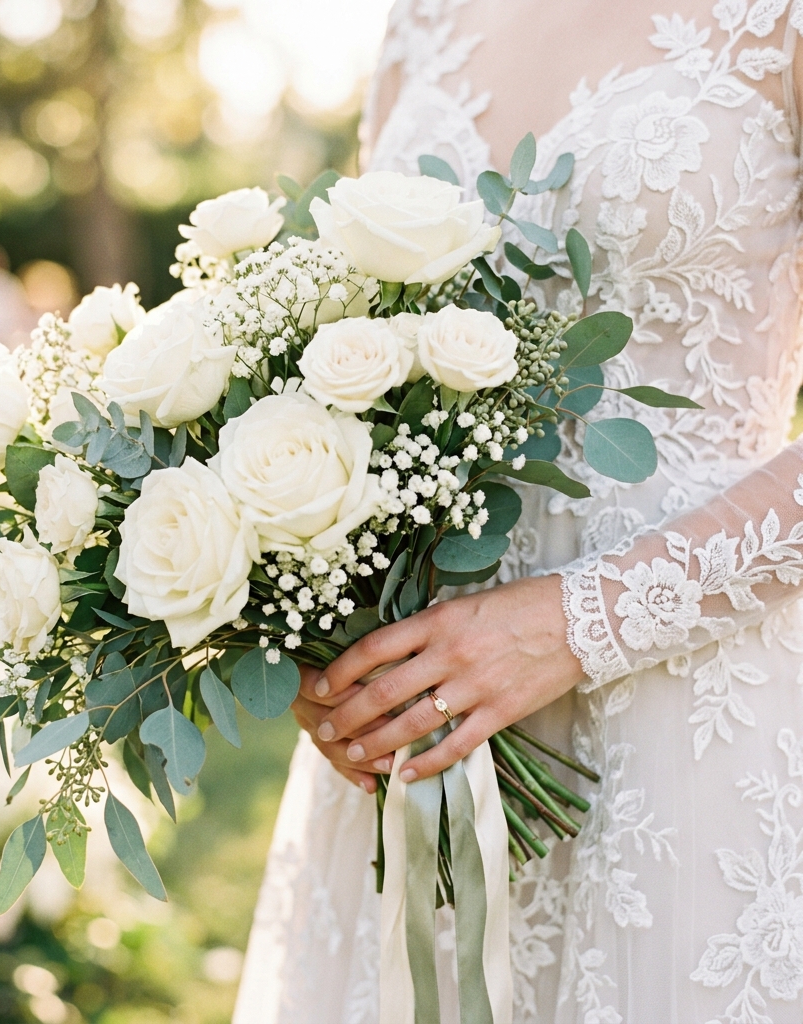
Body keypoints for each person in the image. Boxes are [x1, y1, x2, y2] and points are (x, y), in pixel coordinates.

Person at [233, 2, 803, 1022]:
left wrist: (576, 622)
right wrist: (322, 628)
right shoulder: (418, 23)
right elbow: (353, 359)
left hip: (698, 709)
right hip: (424, 715)